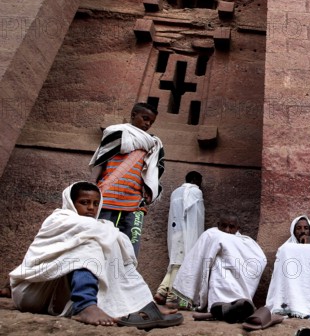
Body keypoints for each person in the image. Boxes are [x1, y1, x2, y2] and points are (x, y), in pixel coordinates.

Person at [9, 182, 183, 329]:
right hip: (35, 292)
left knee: (117, 251)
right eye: (84, 202)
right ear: (71, 202)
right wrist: (111, 233)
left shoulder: (102, 227)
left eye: (95, 203)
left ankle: (142, 305)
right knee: (90, 244)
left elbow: (112, 240)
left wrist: (113, 235)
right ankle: (85, 306)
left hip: (61, 295)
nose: (91, 208)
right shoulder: (59, 219)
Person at [89, 102, 165, 256]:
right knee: (98, 244)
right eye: (144, 118)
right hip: (107, 197)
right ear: (133, 115)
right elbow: (101, 162)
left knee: (129, 250)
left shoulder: (154, 144)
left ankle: (123, 278)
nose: (147, 123)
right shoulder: (115, 133)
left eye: (151, 121)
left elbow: (154, 170)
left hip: (135, 202)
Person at [172, 213, 266, 322]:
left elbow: (260, 258)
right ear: (218, 225)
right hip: (217, 275)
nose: (227, 230)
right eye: (224, 226)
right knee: (218, 264)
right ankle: (218, 306)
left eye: (231, 227)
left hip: (237, 280)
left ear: (238, 228)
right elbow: (197, 258)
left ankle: (232, 305)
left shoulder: (246, 241)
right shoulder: (211, 234)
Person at [155, 171, 205, 308]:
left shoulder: (175, 192)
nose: (201, 185)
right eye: (200, 181)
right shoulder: (195, 192)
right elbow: (196, 218)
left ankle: (162, 291)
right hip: (187, 232)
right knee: (179, 263)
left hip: (174, 232)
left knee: (175, 261)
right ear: (195, 180)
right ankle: (172, 296)